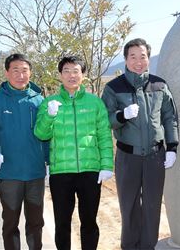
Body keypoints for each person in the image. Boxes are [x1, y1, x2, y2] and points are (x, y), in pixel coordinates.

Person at [101, 38, 179, 250]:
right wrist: (121, 115)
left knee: (152, 207)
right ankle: (129, 246)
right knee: (129, 206)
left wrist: (172, 147)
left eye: (142, 56)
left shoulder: (159, 85)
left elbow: (170, 117)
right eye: (132, 56)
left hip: (155, 155)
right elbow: (104, 119)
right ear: (125, 60)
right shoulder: (113, 88)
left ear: (148, 58)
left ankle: (148, 246)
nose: (138, 61)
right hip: (128, 157)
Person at [34, 56, 114, 250]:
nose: (72, 75)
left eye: (76, 71)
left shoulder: (94, 103)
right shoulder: (49, 102)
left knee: (89, 221)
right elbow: (41, 133)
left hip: (90, 170)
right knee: (62, 222)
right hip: (61, 172)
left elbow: (104, 135)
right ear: (60, 75)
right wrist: (49, 116)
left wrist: (106, 165)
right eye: (67, 71)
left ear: (83, 75)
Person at [0, 53, 48, 250]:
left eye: (24, 70)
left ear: (30, 73)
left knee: (36, 221)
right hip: (8, 172)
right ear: (6, 72)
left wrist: (49, 162)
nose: (20, 75)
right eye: (15, 70)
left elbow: (47, 134)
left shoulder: (39, 101)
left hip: (35, 172)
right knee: (10, 222)